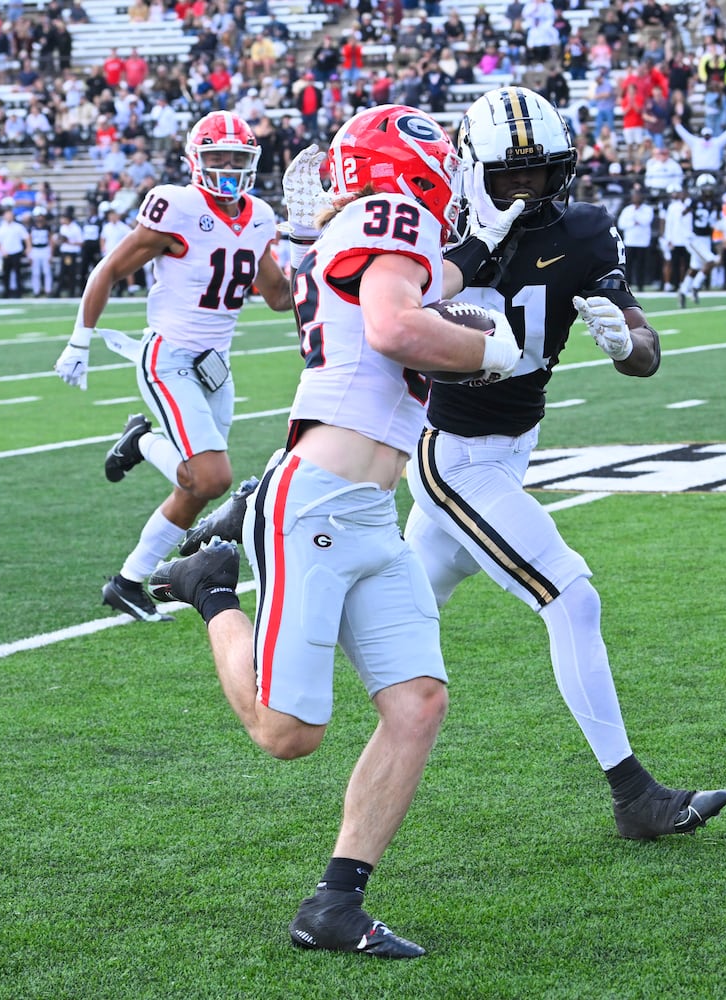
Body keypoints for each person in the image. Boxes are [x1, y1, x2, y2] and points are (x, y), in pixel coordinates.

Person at [142, 103, 523, 958]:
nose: (461, 176)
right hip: (317, 501)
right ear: (409, 162)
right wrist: (496, 347)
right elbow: (395, 326)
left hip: (367, 509)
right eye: (449, 160)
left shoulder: (382, 228)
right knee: (289, 735)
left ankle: (334, 906)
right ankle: (208, 589)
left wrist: (484, 265)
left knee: (418, 702)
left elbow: (425, 289)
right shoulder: (395, 213)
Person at [410, 86, 726, 842]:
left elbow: (647, 355)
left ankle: (223, 601)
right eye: (508, 176)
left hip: (512, 451)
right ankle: (634, 796)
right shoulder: (432, 228)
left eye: (541, 174)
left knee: (389, 614)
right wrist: (470, 244)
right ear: (468, 169)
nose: (526, 190)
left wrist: (626, 341)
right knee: (571, 596)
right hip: (457, 456)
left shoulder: (583, 232)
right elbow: (398, 310)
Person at [52, 111, 296, 622]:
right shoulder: (177, 206)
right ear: (195, 160)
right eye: (217, 157)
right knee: (211, 478)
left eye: (237, 158)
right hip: (169, 356)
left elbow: (276, 296)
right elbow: (110, 269)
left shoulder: (258, 215)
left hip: (216, 363)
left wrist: (307, 257)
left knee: (195, 487)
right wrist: (80, 340)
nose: (227, 167)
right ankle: (141, 440)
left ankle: (127, 581)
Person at [676, 172, 721, 307]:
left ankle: (683, 291)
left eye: (710, 186)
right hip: (695, 237)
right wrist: (686, 232)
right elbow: (682, 216)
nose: (708, 189)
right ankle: (695, 287)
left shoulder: (716, 203)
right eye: (706, 187)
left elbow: (715, 221)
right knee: (711, 260)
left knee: (695, 267)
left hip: (707, 237)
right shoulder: (694, 201)